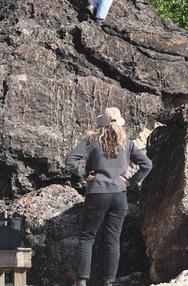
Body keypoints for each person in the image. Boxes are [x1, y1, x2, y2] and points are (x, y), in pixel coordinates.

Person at [65, 107, 152, 286]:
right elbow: (147, 164)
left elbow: (70, 160)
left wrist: (83, 173)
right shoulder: (127, 143)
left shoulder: (92, 140)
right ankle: (109, 282)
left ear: (102, 124)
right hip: (119, 195)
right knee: (113, 240)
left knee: (88, 237)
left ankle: (81, 281)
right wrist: (131, 182)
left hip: (97, 193)